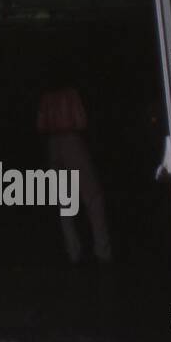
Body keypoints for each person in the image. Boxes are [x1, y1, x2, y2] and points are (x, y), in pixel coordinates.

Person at [36, 78, 112, 265]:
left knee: (64, 202)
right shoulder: (71, 93)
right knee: (93, 197)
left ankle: (73, 251)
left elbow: (40, 125)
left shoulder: (46, 98)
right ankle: (102, 251)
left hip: (54, 144)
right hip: (72, 142)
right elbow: (81, 121)